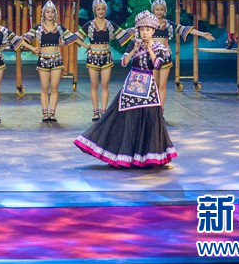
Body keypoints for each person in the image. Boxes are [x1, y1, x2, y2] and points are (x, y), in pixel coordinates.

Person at [74, 10, 177, 168]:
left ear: (153, 31)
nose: (144, 32)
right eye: (142, 29)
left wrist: (149, 48)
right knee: (125, 119)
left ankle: (145, 157)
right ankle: (123, 155)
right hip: (131, 85)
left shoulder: (160, 47)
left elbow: (157, 65)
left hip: (148, 87)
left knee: (149, 119)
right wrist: (135, 49)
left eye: (148, 30)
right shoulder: (134, 43)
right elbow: (123, 63)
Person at [75, 0, 134, 121]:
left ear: (105, 10)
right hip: (93, 57)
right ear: (94, 10)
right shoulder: (89, 25)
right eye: (98, 9)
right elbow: (76, 38)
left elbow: (123, 34)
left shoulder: (110, 25)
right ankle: (95, 112)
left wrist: (137, 31)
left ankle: (104, 111)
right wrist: (86, 46)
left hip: (106, 57)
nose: (101, 11)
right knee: (94, 85)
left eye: (103, 9)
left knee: (105, 85)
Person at [149, 0, 215, 105]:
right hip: (152, 57)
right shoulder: (148, 25)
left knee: (162, 86)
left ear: (165, 11)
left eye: (161, 9)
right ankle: (153, 109)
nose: (159, 12)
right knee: (154, 85)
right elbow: (136, 32)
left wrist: (203, 34)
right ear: (153, 10)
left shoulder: (168, 25)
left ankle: (161, 110)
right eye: (157, 9)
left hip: (165, 57)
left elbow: (185, 29)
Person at [22, 0, 81, 122]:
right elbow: (23, 40)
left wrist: (87, 46)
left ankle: (52, 113)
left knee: (54, 88)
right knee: (44, 88)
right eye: (47, 12)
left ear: (55, 14)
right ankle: (45, 114)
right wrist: (33, 48)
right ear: (44, 13)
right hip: (43, 60)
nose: (50, 14)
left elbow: (73, 38)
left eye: (52, 12)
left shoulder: (59, 28)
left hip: (56, 60)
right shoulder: (38, 28)